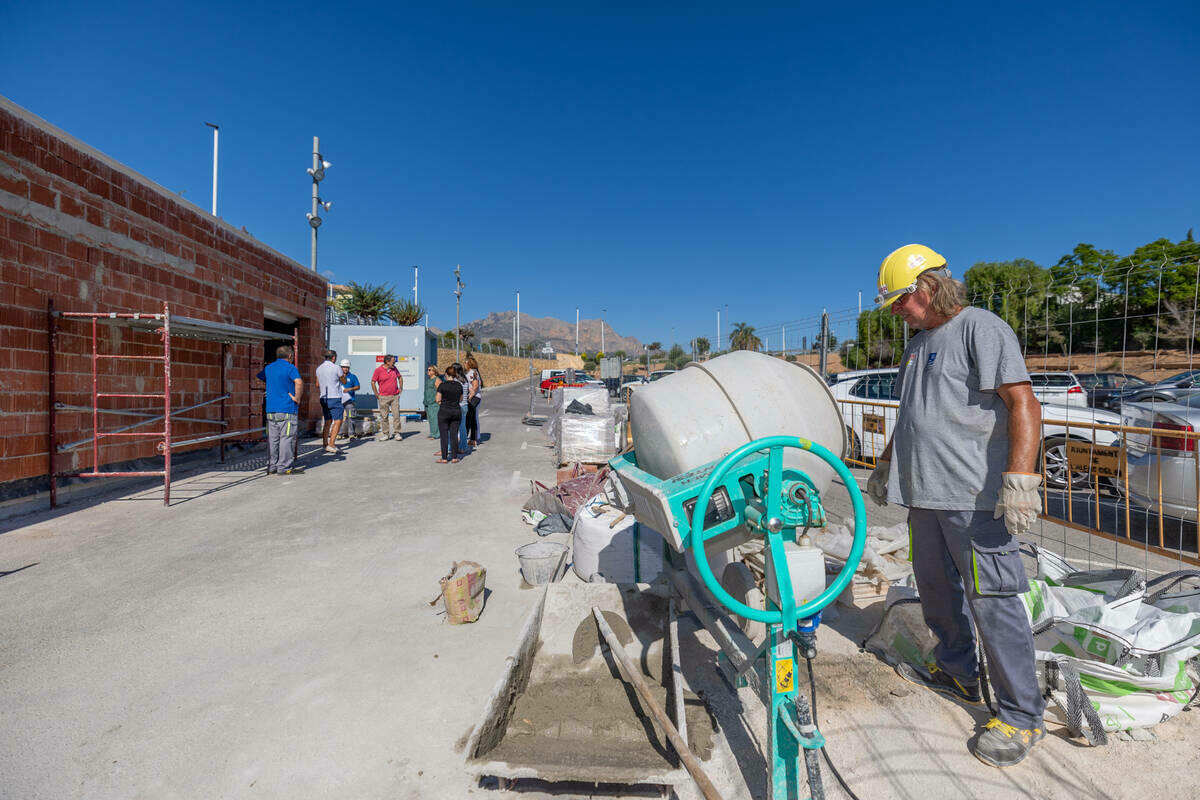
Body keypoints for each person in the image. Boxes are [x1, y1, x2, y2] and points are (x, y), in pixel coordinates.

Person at [867, 244, 1045, 768]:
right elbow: (912, 415)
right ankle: (960, 672)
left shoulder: (980, 328)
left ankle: (1020, 716)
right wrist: (886, 465)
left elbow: (1023, 403)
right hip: (925, 497)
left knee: (993, 600)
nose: (896, 311)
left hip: (973, 499)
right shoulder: (918, 345)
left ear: (928, 287)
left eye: (900, 300)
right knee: (937, 592)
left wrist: (1019, 479)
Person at [256, 344, 303, 475]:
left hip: (271, 409)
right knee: (286, 438)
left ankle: (272, 466)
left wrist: (270, 390)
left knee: (273, 439)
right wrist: (297, 398)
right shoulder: (290, 368)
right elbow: (299, 382)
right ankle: (284, 467)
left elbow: (258, 379)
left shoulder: (269, 368)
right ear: (290, 356)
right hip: (287, 408)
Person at [316, 349, 346, 454]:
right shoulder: (336, 367)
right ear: (333, 358)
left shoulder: (319, 368)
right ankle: (332, 444)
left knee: (327, 421)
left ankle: (325, 444)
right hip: (334, 397)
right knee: (338, 420)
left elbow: (317, 384)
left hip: (323, 397)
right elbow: (344, 381)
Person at [435, 364, 464, 463]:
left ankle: (444, 458)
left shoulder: (442, 385)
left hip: (444, 411)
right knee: (454, 434)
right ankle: (454, 457)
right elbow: (461, 399)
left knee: (444, 435)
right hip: (456, 411)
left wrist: (443, 404)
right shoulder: (459, 385)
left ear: (446, 374)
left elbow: (437, 399)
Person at [372, 354, 404, 441]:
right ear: (387, 361)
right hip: (383, 397)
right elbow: (373, 382)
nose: (395, 363)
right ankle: (386, 434)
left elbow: (400, 377)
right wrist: (376, 394)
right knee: (384, 416)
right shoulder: (378, 370)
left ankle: (397, 433)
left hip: (394, 396)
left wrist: (401, 387)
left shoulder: (394, 369)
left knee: (396, 415)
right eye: (393, 361)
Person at [465, 356, 484, 447]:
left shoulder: (473, 372)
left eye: (466, 363)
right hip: (471, 397)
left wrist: (470, 397)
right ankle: (472, 438)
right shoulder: (469, 372)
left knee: (472, 417)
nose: (464, 364)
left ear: (470, 364)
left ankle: (474, 438)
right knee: (471, 417)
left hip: (475, 397)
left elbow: (475, 386)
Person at [339, 359, 361, 439]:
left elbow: (358, 387)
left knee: (351, 417)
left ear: (349, 368)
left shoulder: (353, 377)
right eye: (343, 367)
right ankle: (339, 433)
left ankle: (351, 433)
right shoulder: (338, 376)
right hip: (339, 400)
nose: (345, 368)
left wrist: (349, 389)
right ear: (340, 367)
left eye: (346, 367)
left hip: (349, 401)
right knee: (339, 417)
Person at [453, 361, 470, 455]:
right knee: (462, 427)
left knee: (453, 428)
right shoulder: (465, 380)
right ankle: (463, 447)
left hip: (458, 406)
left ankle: (452, 447)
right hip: (465, 405)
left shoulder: (456, 381)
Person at [423, 364, 442, 439]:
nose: (428, 371)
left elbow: (440, 390)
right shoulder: (428, 380)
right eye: (427, 370)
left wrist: (439, 400)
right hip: (428, 402)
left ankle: (436, 434)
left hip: (434, 403)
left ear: (434, 371)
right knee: (430, 419)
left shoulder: (437, 379)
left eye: (430, 370)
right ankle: (432, 433)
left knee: (435, 419)